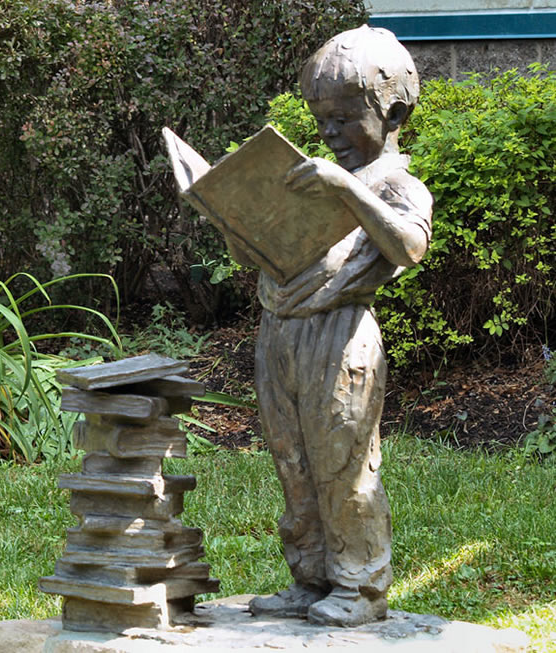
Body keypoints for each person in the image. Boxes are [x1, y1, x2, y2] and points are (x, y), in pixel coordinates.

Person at [233, 26, 433, 627]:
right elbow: (263, 253)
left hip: (341, 337)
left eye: (345, 117)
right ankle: (311, 575)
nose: (328, 132)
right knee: (292, 462)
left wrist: (346, 187)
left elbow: (408, 247)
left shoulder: (394, 183)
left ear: (392, 112)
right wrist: (232, 216)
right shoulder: (315, 175)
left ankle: (361, 585)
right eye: (321, 117)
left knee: (342, 463)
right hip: (281, 332)